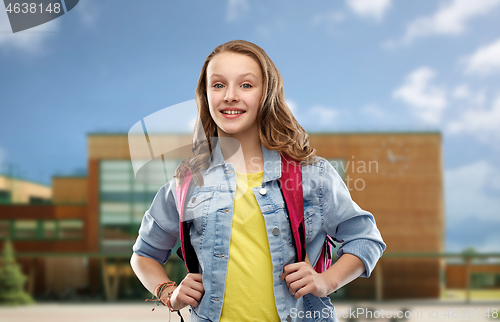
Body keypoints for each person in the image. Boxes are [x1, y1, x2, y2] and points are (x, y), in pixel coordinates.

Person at [130, 39, 386, 322]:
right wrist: (169, 292)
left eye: (246, 85)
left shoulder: (313, 175)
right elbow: (143, 255)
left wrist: (327, 281)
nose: (230, 95)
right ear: (205, 96)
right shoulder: (188, 185)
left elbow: (366, 239)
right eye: (218, 85)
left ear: (267, 93)